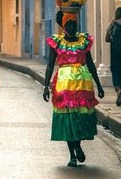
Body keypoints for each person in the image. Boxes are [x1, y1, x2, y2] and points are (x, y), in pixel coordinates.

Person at [43, 10, 104, 167]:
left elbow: (90, 64)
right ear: (64, 26)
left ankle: (78, 145)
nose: (71, 27)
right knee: (68, 118)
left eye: (74, 24)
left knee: (81, 117)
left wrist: (99, 84)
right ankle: (73, 153)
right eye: (68, 24)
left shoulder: (83, 41)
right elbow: (50, 65)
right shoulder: (57, 42)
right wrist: (45, 85)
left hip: (83, 85)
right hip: (64, 85)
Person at [105, 7, 121, 106]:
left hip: (115, 53)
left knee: (116, 72)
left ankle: (119, 90)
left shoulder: (112, 24)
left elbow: (106, 39)